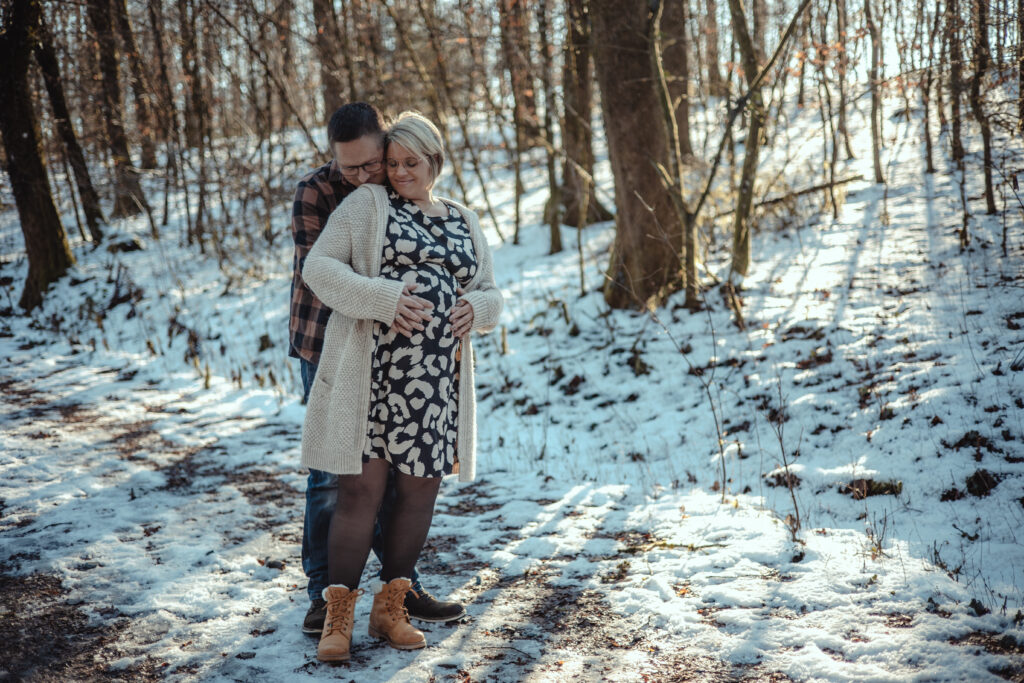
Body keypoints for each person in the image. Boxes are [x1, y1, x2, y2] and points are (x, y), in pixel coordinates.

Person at [300, 111, 503, 662]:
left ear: (435, 163)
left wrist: (477, 309)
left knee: (419, 493)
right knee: (359, 493)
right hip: (375, 375)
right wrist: (384, 300)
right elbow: (318, 269)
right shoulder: (368, 205)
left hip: (436, 381)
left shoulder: (463, 217)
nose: (399, 173)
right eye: (393, 163)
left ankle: (392, 609)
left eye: (411, 163)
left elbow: (490, 291)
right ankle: (336, 619)